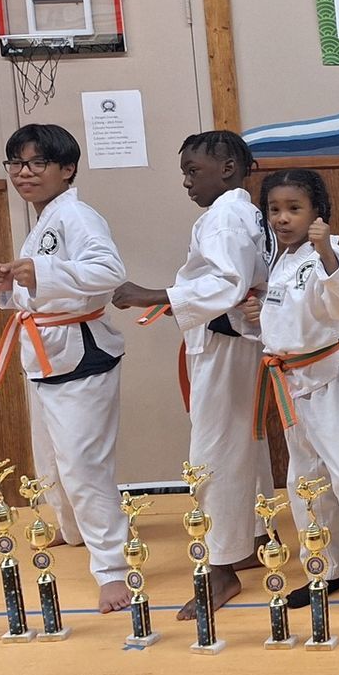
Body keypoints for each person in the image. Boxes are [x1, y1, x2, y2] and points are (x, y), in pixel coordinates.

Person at [110, 130, 272, 619]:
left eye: (192, 171)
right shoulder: (243, 212)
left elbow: (226, 284)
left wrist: (151, 294)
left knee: (213, 450)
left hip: (227, 345)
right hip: (239, 343)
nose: (185, 181)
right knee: (245, 442)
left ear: (227, 168)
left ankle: (220, 568)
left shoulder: (225, 217)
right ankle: (252, 538)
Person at [0, 123, 132, 612]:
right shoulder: (47, 217)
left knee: (83, 465)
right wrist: (13, 282)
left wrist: (41, 272)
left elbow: (109, 273)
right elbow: (43, 288)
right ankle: (76, 532)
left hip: (80, 353)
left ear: (67, 169)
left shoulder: (78, 216)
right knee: (52, 461)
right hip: (47, 350)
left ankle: (113, 568)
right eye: (16, 163)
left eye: (37, 163)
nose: (24, 173)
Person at [244, 169, 339, 616]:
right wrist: (259, 315)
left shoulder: (325, 254)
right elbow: (290, 321)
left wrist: (328, 251)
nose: (282, 218)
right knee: (305, 482)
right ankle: (323, 570)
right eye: (274, 210)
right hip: (290, 381)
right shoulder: (281, 261)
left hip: (329, 378)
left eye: (294, 209)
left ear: (317, 214)